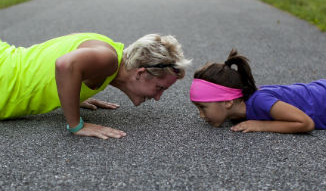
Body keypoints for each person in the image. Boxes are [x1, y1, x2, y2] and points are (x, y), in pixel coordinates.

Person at [0, 32, 191, 139]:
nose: (158, 97)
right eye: (160, 88)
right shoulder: (108, 59)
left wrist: (71, 94)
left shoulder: (108, 54)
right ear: (141, 73)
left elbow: (59, 62)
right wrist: (76, 125)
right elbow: (65, 65)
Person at [190, 49, 326, 134]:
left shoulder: (260, 101)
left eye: (203, 107)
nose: (201, 115)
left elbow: (306, 123)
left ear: (228, 101)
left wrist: (261, 125)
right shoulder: (238, 110)